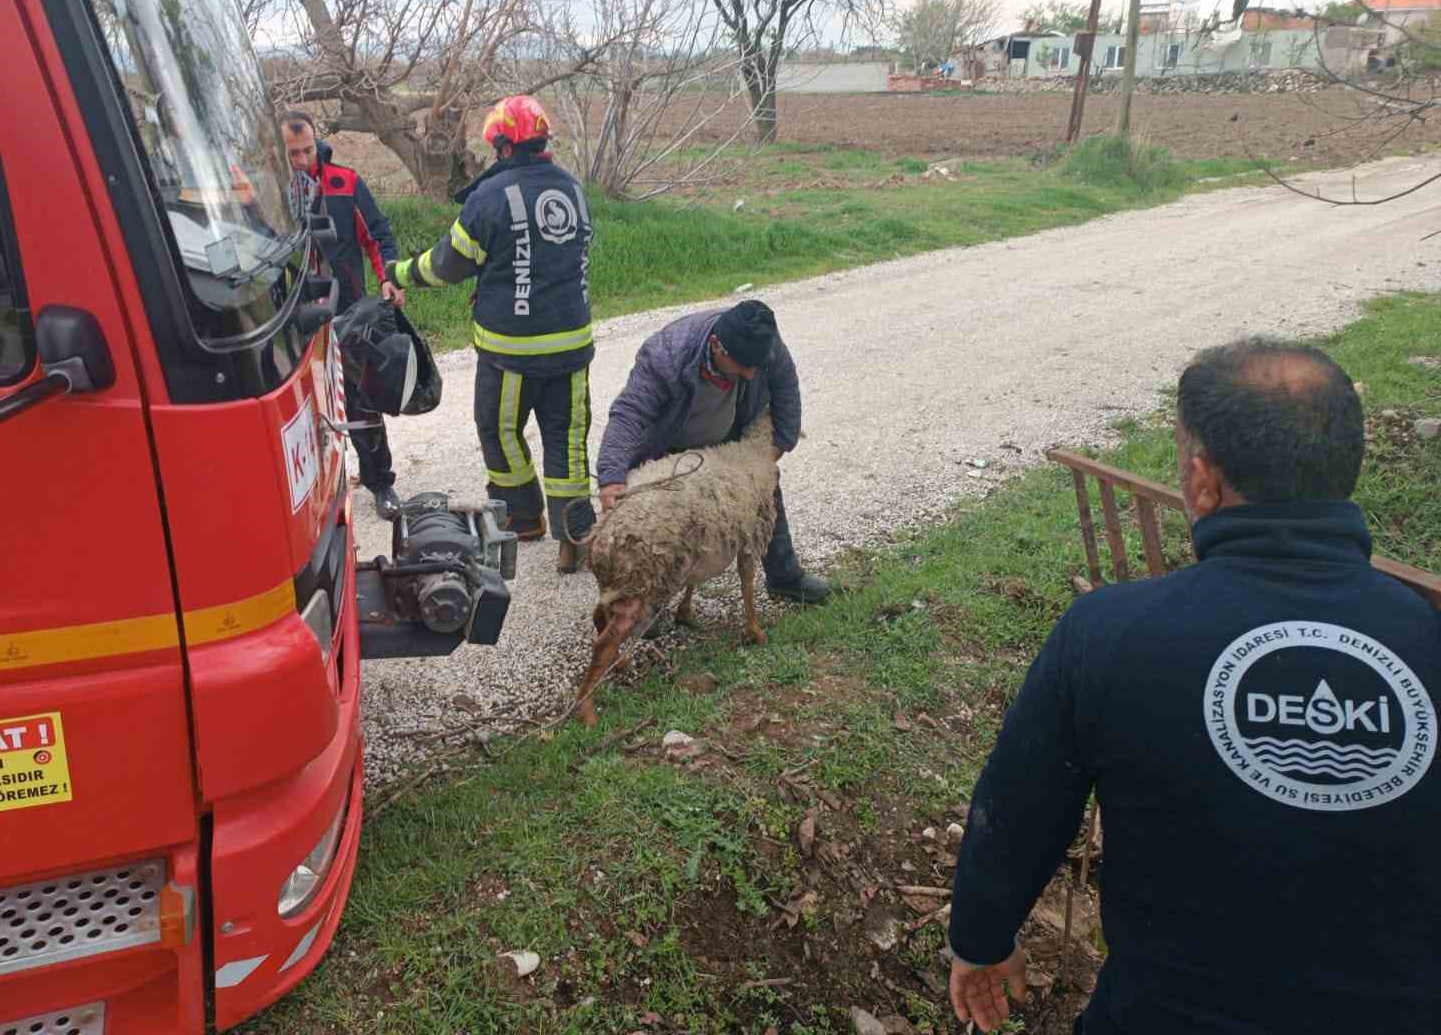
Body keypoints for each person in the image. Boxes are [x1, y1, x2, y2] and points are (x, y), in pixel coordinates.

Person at [946, 337, 1441, 1035]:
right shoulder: (1426, 638)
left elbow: (1018, 810)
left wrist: (980, 941)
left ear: (1204, 481)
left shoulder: (1109, 633)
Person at [388, 95, 597, 572]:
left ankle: (524, 516)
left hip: (510, 352)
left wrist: (399, 272)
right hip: (571, 346)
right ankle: (576, 538)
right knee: (568, 440)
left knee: (499, 430)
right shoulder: (573, 189)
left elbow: (446, 265)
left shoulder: (489, 198)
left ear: (503, 147)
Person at [595, 300, 831, 605]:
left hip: (726, 432)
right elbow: (630, 413)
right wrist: (611, 476)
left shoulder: (764, 343)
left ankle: (785, 577)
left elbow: (786, 387)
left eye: (754, 366)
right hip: (668, 442)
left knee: (765, 491)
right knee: (662, 521)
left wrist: (778, 445)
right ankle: (644, 600)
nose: (749, 374)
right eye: (742, 365)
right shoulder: (666, 355)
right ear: (717, 346)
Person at [278, 110, 405, 519]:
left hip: (346, 311)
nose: (301, 160)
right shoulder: (272, 191)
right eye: (292, 153)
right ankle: (311, 491)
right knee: (299, 408)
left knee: (360, 400)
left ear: (317, 143)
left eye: (307, 150)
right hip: (291, 316)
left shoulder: (343, 182)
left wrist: (388, 279)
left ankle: (381, 482)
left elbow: (378, 235)